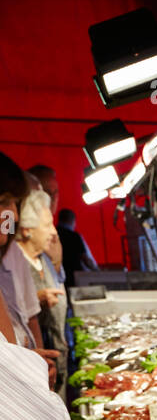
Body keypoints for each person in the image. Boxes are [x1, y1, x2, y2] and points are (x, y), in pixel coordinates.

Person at [0, 152, 59, 388]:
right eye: (4, 201)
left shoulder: (11, 252)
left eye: (16, 203)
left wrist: (33, 363)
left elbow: (27, 322)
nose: (13, 214)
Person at [17, 190, 67, 400]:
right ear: (27, 230)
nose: (53, 231)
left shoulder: (43, 258)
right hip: (37, 366)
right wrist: (38, 298)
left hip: (58, 359)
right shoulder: (14, 263)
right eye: (47, 225)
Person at [57, 208, 97, 287]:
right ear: (72, 220)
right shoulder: (74, 236)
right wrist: (97, 271)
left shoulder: (52, 235)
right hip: (74, 277)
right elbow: (85, 259)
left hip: (57, 276)